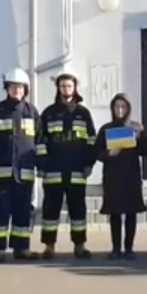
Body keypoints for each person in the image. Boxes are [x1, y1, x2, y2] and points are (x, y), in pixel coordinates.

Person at [0, 68, 40, 262]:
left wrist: (41, 165)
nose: (17, 90)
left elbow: (40, 142)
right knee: (0, 211)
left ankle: (21, 248)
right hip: (2, 172)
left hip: (25, 172)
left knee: (22, 212)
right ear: (7, 88)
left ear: (26, 90)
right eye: (13, 87)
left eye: (20, 87)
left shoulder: (32, 112)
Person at [39, 73, 95, 259]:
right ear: (58, 88)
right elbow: (40, 141)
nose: (66, 89)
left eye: (69, 86)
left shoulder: (83, 113)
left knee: (78, 210)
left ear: (75, 88)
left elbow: (91, 141)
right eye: (63, 86)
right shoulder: (48, 113)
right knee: (50, 210)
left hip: (77, 171)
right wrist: (42, 166)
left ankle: (80, 245)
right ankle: (49, 246)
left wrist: (89, 164)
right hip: (53, 170)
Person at [95, 93, 147, 259]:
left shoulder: (136, 127)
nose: (120, 110)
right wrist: (109, 154)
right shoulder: (106, 129)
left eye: (123, 107)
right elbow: (96, 152)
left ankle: (129, 248)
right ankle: (116, 248)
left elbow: (146, 151)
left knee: (131, 213)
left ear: (128, 109)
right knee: (115, 213)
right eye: (117, 107)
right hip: (113, 177)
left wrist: (146, 140)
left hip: (131, 176)